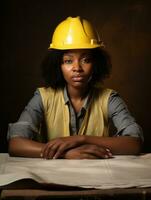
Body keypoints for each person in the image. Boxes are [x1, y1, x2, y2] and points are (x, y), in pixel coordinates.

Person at [7, 16, 143, 159]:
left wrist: (81, 139)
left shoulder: (109, 99)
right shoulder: (42, 97)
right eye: (68, 61)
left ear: (96, 63)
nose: (77, 68)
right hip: (52, 178)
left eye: (86, 60)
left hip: (97, 178)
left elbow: (134, 143)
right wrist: (66, 153)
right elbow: (15, 144)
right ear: (57, 65)